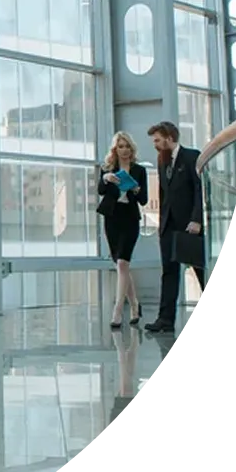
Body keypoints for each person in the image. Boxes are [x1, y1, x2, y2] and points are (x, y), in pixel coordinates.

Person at [144, 120, 205, 334]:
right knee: (169, 273)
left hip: (190, 226)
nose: (155, 144)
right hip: (168, 227)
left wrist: (197, 218)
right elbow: (163, 195)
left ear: (170, 138)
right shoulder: (162, 162)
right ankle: (165, 320)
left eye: (158, 140)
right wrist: (161, 224)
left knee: (200, 271)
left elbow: (199, 190)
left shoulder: (191, 156)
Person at [97, 131, 148, 328]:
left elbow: (143, 199)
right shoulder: (108, 168)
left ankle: (118, 310)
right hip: (112, 218)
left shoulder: (139, 170)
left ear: (131, 149)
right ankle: (135, 304)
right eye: (121, 146)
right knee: (121, 265)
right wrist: (106, 179)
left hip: (130, 218)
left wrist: (136, 190)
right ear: (115, 149)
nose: (124, 150)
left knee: (122, 263)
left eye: (127, 146)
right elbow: (101, 191)